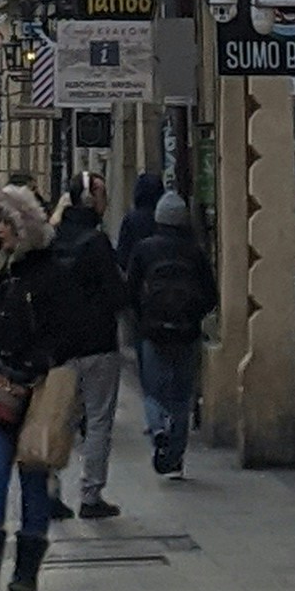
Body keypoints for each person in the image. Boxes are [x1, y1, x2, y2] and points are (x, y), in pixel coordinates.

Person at [0, 184, 79, 591]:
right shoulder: (3, 270)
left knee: (33, 475)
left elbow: (67, 331)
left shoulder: (52, 273)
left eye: (5, 224)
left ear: (22, 226)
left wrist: (36, 364)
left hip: (36, 389)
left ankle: (27, 568)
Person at [49, 186, 127, 522]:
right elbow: (117, 293)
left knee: (59, 420)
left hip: (60, 346)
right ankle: (91, 495)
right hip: (98, 344)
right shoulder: (97, 242)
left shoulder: (51, 242)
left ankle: (50, 492)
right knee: (97, 420)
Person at [126, 187, 214, 476]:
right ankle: (175, 458)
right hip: (186, 332)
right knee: (181, 395)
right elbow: (210, 295)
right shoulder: (196, 252)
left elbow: (131, 290)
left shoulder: (144, 249)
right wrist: (194, 316)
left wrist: (142, 319)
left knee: (153, 390)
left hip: (152, 331)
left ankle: (158, 427)